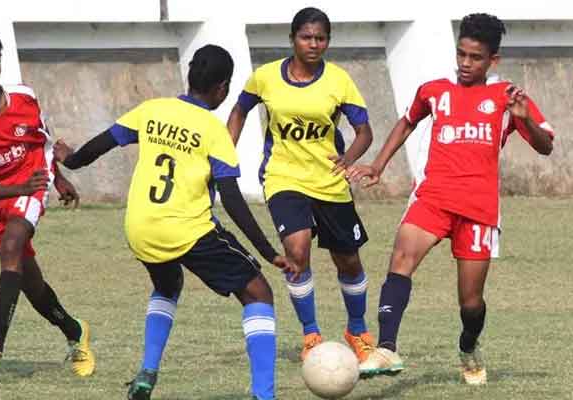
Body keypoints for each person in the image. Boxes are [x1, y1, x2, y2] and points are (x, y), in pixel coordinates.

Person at [54, 44, 299, 400]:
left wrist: (71, 160)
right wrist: (268, 252)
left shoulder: (152, 110)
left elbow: (99, 146)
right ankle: (265, 395)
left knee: (168, 284)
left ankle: (147, 372)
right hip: (187, 228)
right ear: (222, 88)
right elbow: (232, 199)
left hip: (141, 226)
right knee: (258, 292)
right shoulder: (213, 130)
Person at [347, 13, 554, 384]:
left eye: (475, 57)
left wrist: (525, 119)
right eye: (461, 54)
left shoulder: (508, 97)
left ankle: (469, 345)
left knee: (470, 303)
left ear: (493, 60)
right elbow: (408, 121)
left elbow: (545, 146)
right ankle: (387, 347)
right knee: (401, 257)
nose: (465, 63)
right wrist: (378, 164)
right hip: (433, 197)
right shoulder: (435, 90)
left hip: (479, 210)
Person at [0, 28, 96, 380]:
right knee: (30, 283)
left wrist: (57, 178)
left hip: (32, 181)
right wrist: (17, 188)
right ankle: (75, 331)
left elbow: (42, 142)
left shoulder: (24, 97)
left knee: (12, 246)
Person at [227, 7, 376, 362]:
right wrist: (224, 153)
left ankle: (357, 330)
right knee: (297, 251)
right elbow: (239, 110)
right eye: (306, 37)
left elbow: (364, 132)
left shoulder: (339, 81)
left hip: (329, 181)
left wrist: (349, 157)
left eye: (320, 38)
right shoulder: (265, 77)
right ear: (293, 39)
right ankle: (311, 334)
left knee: (348, 260)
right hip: (283, 177)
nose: (313, 44)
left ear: (328, 42)